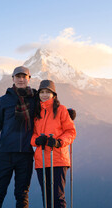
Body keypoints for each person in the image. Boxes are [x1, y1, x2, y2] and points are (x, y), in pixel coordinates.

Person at [0, 66, 37, 208]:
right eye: (18, 76)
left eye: (24, 76)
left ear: (29, 78)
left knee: (22, 194)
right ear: (13, 79)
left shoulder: (35, 99)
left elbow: (51, 106)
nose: (21, 79)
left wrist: (68, 113)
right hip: (5, 154)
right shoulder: (4, 100)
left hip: (26, 154)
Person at [31, 80, 76, 208]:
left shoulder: (61, 110)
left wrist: (59, 142)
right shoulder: (36, 112)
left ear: (54, 95)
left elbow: (71, 132)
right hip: (41, 161)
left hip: (58, 159)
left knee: (57, 197)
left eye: (48, 92)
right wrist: (36, 140)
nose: (44, 95)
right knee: (46, 197)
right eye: (42, 92)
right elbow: (32, 135)